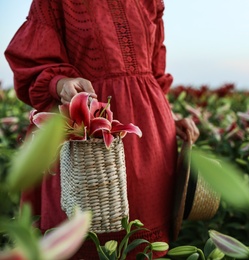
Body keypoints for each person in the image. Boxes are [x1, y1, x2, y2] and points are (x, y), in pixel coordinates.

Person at [5, 0, 199, 258]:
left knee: (144, 244)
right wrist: (61, 83)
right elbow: (30, 58)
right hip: (85, 132)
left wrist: (172, 117)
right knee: (87, 240)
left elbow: (153, 72)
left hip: (150, 138)